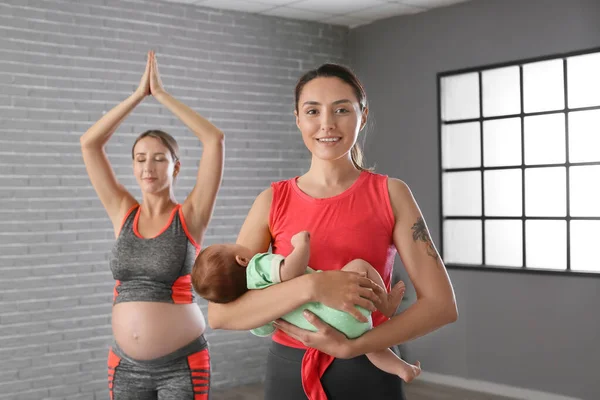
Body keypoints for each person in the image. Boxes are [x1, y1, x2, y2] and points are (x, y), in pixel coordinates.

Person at [207, 63, 458, 400]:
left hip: (371, 368)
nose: (327, 123)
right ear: (298, 118)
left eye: (342, 109)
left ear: (363, 116)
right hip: (289, 370)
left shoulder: (391, 194)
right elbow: (223, 313)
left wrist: (354, 346)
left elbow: (441, 305)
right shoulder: (271, 201)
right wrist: (312, 285)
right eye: (313, 111)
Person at [80, 51, 224, 400]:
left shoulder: (190, 215)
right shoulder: (123, 212)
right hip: (124, 364)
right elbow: (89, 143)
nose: (149, 167)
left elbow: (213, 139)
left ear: (175, 167)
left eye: (160, 159)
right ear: (133, 166)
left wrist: (160, 94)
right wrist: (136, 95)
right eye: (141, 159)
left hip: (182, 365)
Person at [193, 230, 422, 383]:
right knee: (359, 266)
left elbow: (265, 328)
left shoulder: (252, 308)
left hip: (325, 330)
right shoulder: (257, 267)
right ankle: (386, 303)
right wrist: (301, 243)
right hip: (343, 306)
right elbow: (290, 270)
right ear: (241, 260)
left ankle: (402, 369)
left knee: (368, 343)